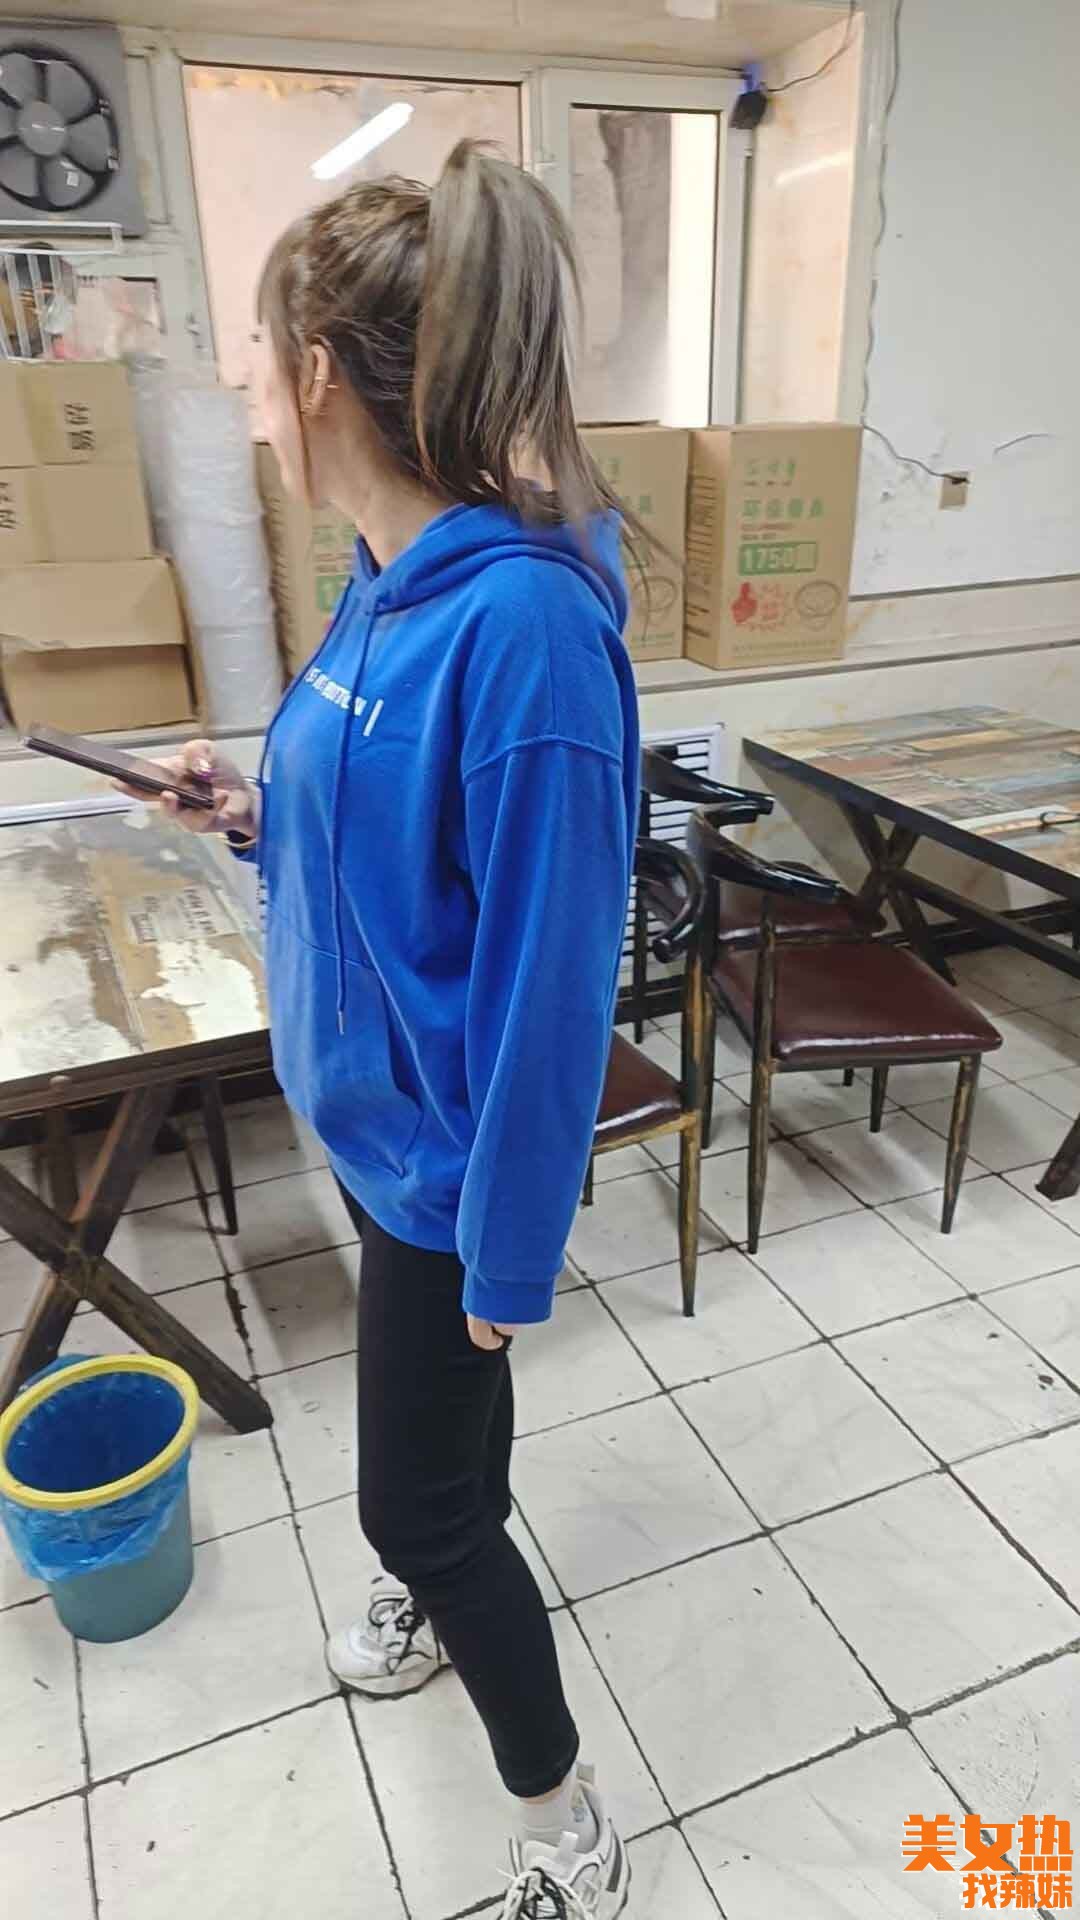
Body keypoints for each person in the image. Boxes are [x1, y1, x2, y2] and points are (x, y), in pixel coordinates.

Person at [137, 142, 639, 1918]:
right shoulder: (382, 576)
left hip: (445, 1167)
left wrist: (509, 1253)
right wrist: (250, 815)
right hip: (372, 1120)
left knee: (411, 1503)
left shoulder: (524, 632)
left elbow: (553, 987)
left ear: (319, 373)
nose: (245, 405)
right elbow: (380, 831)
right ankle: (442, 1572)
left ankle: (567, 1820)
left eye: (251, 370)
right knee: (447, 1467)